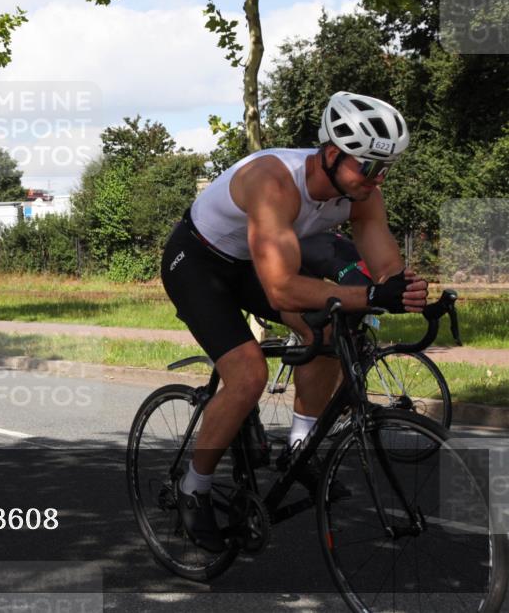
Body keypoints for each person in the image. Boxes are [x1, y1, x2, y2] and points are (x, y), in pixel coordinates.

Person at [160, 91, 428, 553]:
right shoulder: (274, 181)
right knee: (247, 376)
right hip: (198, 262)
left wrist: (407, 292)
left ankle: (299, 447)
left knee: (328, 330)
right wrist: (367, 294)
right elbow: (282, 288)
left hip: (252, 263)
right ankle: (194, 487)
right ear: (330, 153)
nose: (377, 178)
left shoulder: (362, 193)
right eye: (367, 166)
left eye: (385, 168)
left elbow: (385, 268)